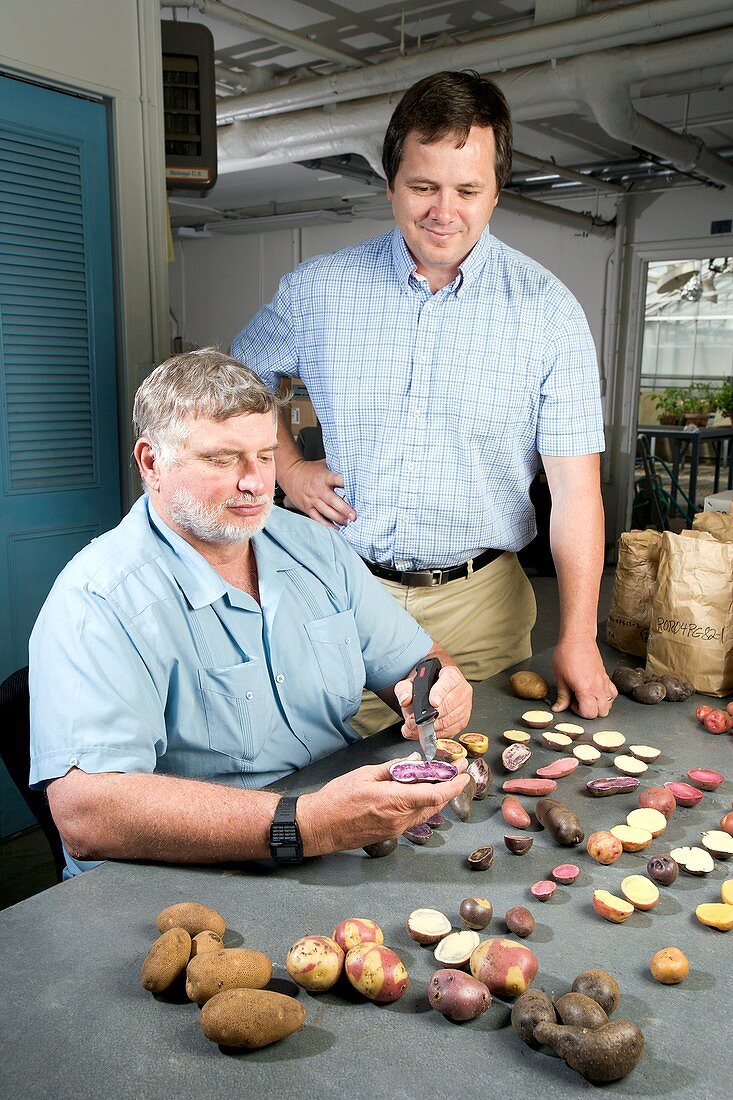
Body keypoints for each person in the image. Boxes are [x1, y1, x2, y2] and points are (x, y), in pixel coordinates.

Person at [231, 69, 617, 729]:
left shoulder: (547, 312)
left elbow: (576, 493)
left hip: (482, 607)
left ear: (496, 191)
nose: (444, 211)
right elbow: (237, 376)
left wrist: (577, 635)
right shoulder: (319, 290)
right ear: (389, 186)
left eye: (467, 189)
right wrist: (287, 471)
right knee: (340, 783)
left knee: (474, 795)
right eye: (422, 186)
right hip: (341, 593)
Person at [29, 350, 472, 878]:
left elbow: (420, 663)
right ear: (152, 463)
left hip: (338, 833)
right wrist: (305, 822)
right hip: (190, 876)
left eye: (265, 456)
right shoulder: (98, 600)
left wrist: (442, 688)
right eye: (223, 459)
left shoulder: (315, 547)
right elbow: (87, 813)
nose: (257, 482)